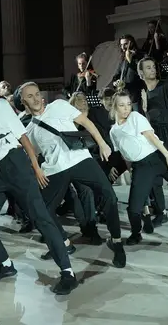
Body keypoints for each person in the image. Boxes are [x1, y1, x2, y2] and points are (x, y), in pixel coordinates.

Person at [0, 74, 78, 294]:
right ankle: (5, 264)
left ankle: (67, 272)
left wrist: (35, 166)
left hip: (15, 164)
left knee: (41, 218)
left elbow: (23, 137)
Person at [19, 82, 126, 267]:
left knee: (109, 195)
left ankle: (116, 242)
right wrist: (36, 170)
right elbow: (33, 154)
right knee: (42, 211)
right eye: (30, 96)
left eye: (37, 93)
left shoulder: (58, 106)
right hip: (55, 170)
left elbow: (86, 122)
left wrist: (102, 143)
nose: (35, 98)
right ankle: (64, 243)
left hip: (80, 160)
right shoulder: (29, 129)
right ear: (23, 101)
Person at [108, 90, 168, 246]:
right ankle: (136, 234)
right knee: (133, 208)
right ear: (114, 107)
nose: (126, 108)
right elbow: (124, 153)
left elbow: (151, 136)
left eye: (128, 104)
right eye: (122, 105)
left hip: (159, 158)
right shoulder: (113, 131)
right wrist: (130, 167)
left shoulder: (135, 117)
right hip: (141, 167)